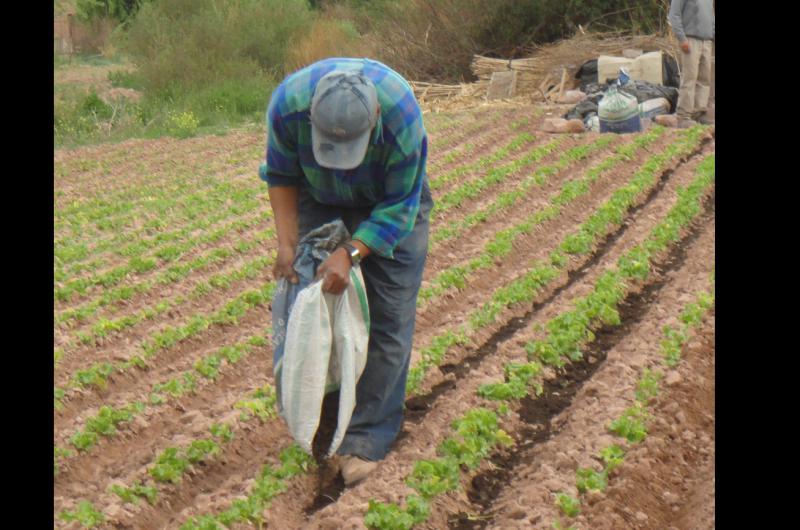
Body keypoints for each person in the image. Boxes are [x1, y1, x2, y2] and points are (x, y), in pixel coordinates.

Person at [259, 58, 432, 486]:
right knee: (315, 305)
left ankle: (368, 436)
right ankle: (323, 422)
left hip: (388, 202)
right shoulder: (289, 104)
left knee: (389, 317)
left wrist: (352, 252)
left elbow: (401, 205)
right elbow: (281, 174)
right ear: (312, 117)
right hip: (318, 196)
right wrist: (286, 243)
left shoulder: (401, 117)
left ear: (373, 119)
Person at [668, 0, 715, 127]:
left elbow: (711, 17)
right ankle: (683, 116)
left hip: (707, 41)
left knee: (704, 80)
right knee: (689, 78)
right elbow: (674, 15)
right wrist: (682, 38)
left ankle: (699, 113)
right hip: (690, 40)